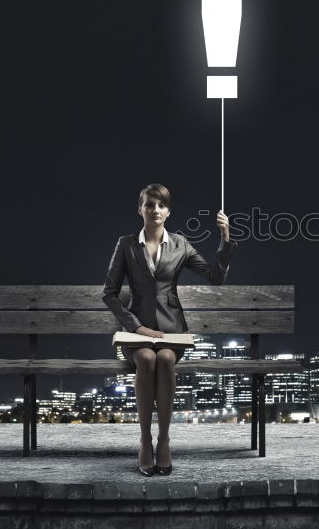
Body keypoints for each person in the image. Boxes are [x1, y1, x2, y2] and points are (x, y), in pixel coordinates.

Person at [102, 183, 238, 476]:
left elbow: (215, 277)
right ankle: (144, 439)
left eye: (161, 205)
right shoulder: (126, 244)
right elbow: (109, 293)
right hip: (137, 334)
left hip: (171, 331)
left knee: (164, 358)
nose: (155, 210)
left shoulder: (180, 244)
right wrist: (136, 326)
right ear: (140, 209)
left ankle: (164, 439)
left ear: (168, 211)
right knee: (148, 359)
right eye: (149, 204)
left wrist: (225, 238)